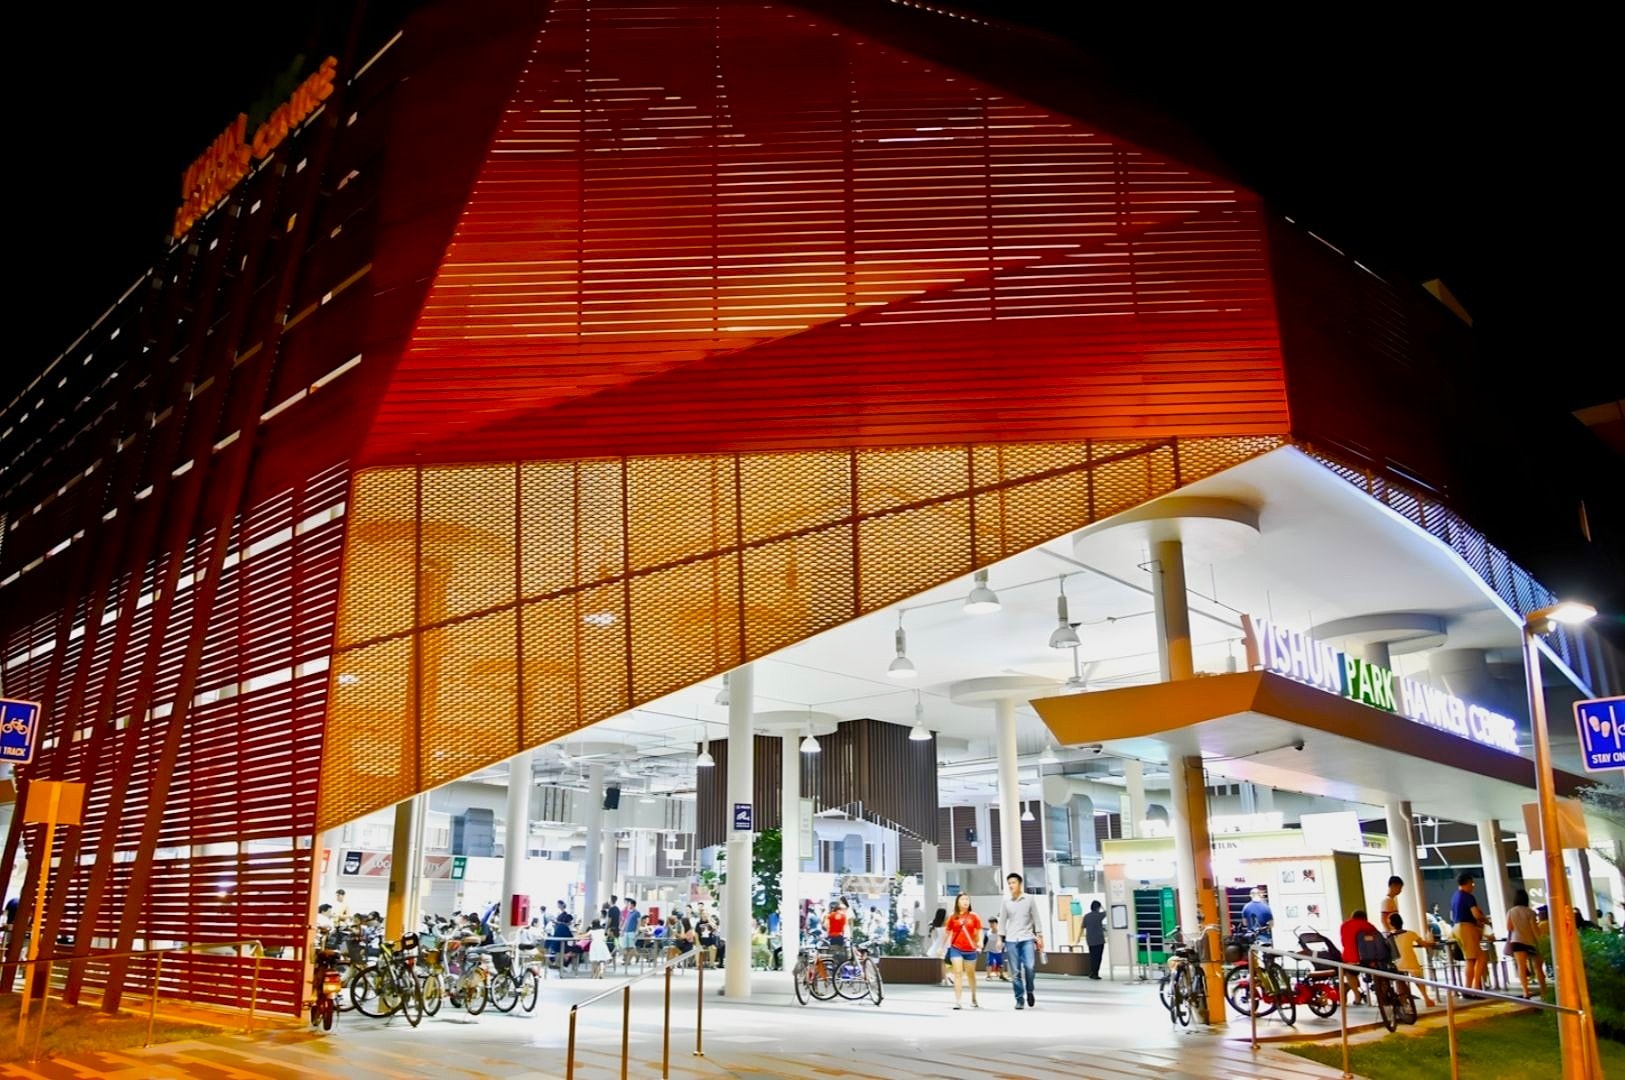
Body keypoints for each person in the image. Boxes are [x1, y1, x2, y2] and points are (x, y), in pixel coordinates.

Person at [998, 872, 1045, 1010]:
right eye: (1009, 883)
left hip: (1027, 938)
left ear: (1020, 884)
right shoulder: (1006, 902)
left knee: (1030, 966)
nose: (1011, 885)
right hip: (1011, 939)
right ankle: (1019, 999)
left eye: (1013, 882)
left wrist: (1040, 936)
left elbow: (1036, 918)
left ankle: (1030, 989)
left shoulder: (1029, 899)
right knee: (1015, 972)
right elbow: (1002, 922)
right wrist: (1000, 939)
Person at [1504, 888, 1547, 999]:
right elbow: (1534, 929)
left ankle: (1525, 991)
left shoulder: (1511, 911)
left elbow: (1509, 927)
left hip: (1517, 941)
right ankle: (1543, 991)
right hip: (1530, 942)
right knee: (1538, 967)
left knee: (1521, 966)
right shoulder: (1530, 912)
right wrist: (1541, 942)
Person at [1451, 872, 1489, 991]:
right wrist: (1485, 920)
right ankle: (1471, 988)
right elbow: (1476, 914)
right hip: (1466, 927)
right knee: (1471, 959)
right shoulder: (1468, 896)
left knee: (1478, 957)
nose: (1473, 886)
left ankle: (1474, 986)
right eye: (1472, 883)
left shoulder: (1455, 896)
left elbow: (1451, 915)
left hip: (1456, 927)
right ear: (1467, 883)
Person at [944, 894, 983, 1010]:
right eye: (962, 899)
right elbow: (947, 931)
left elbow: (979, 930)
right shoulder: (953, 916)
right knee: (958, 973)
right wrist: (941, 946)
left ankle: (974, 998)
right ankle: (958, 1001)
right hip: (956, 948)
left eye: (967, 899)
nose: (965, 901)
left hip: (970, 949)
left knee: (970, 974)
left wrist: (980, 941)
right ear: (957, 902)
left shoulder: (974, 916)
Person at [1387, 914, 1434, 1007]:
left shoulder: (1389, 937)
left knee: (1400, 981)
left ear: (1391, 924)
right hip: (1411, 961)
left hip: (1398, 963)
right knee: (1418, 980)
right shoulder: (1410, 933)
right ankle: (1426, 999)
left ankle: (1404, 1002)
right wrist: (1431, 942)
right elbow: (1424, 944)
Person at [1339, 908, 1381, 1006]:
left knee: (1350, 974)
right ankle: (1381, 996)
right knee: (1378, 972)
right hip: (1367, 958)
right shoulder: (1367, 925)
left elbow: (1343, 942)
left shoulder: (1344, 925)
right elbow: (1377, 939)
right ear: (1364, 918)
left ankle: (1357, 996)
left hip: (1349, 958)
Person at [1081, 900, 1107, 979]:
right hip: (1099, 940)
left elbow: (1083, 926)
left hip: (1090, 940)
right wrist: (1102, 906)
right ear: (1098, 907)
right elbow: (1106, 912)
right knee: (1098, 957)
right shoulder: (1099, 915)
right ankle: (1095, 973)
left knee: (1092, 957)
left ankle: (1092, 972)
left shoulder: (1086, 916)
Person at [823, 899, 852, 965]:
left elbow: (825, 925)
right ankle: (840, 967)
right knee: (841, 954)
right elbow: (845, 927)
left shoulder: (830, 915)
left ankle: (832, 966)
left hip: (831, 938)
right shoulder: (844, 916)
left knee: (832, 954)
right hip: (840, 938)